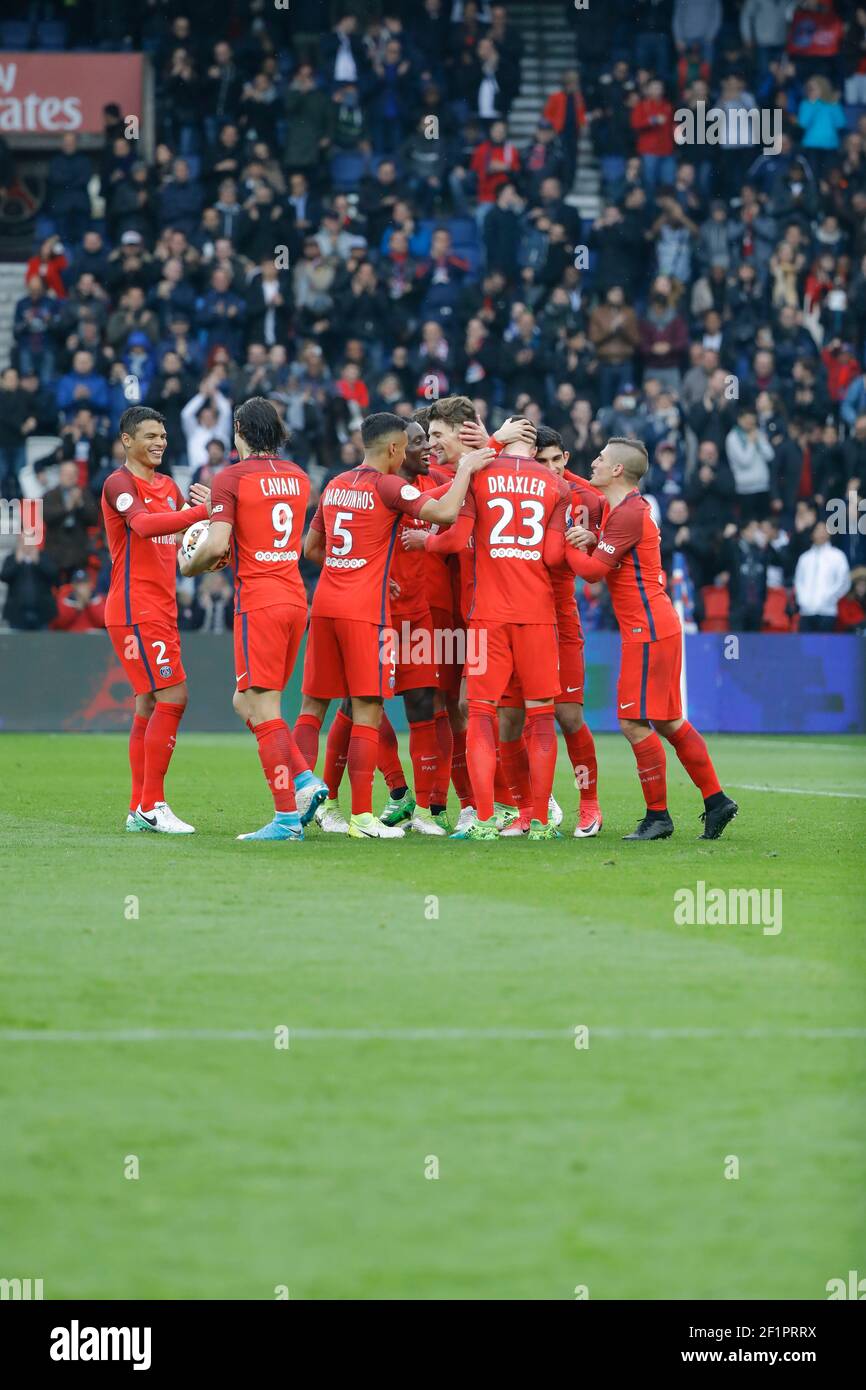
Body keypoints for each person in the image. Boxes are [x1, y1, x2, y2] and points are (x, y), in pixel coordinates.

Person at [293, 411, 493, 839]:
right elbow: (443, 512)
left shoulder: (336, 484)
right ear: (394, 449)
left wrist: (350, 567)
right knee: (361, 707)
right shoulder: (392, 487)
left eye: (429, 440)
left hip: (385, 611)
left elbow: (312, 547)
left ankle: (420, 806)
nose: (425, 448)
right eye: (416, 441)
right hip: (370, 613)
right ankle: (349, 810)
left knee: (395, 705)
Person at [547, 437, 738, 841]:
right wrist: (588, 533)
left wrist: (566, 540)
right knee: (668, 721)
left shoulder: (628, 513)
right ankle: (716, 800)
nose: (593, 464)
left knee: (633, 723)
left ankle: (658, 817)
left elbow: (594, 574)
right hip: (656, 625)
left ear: (617, 470)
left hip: (646, 630)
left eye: (600, 459)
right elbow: (604, 550)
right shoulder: (626, 507)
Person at [409, 417, 572, 840]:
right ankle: (537, 821)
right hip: (537, 616)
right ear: (534, 448)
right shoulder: (559, 487)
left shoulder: (481, 476)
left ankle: (483, 818)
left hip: (488, 615)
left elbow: (453, 540)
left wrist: (423, 542)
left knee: (480, 715)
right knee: (540, 718)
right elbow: (555, 558)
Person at [179, 396, 328, 840]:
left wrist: (189, 566)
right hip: (293, 599)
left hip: (258, 602)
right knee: (246, 702)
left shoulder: (230, 478)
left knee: (261, 710)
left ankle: (287, 816)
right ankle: (304, 779)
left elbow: (216, 542)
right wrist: (221, 509)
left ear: (238, 429)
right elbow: (260, 524)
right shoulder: (299, 477)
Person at [101, 406, 211, 834]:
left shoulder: (168, 485)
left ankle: (138, 808)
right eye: (150, 435)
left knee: (149, 703)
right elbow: (144, 526)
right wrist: (198, 515)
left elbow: (186, 542)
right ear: (127, 440)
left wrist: (210, 554)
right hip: (133, 611)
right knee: (174, 696)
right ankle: (153, 804)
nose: (160, 442)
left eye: (163, 436)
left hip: (161, 610)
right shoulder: (119, 484)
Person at [794, 521, 851, 632]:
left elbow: (844, 582)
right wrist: (802, 600)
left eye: (823, 530)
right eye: (817, 530)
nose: (820, 533)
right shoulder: (805, 558)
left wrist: (829, 598)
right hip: (806, 611)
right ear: (812, 534)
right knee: (806, 648)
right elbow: (798, 582)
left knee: (824, 648)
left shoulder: (837, 556)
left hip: (827, 611)